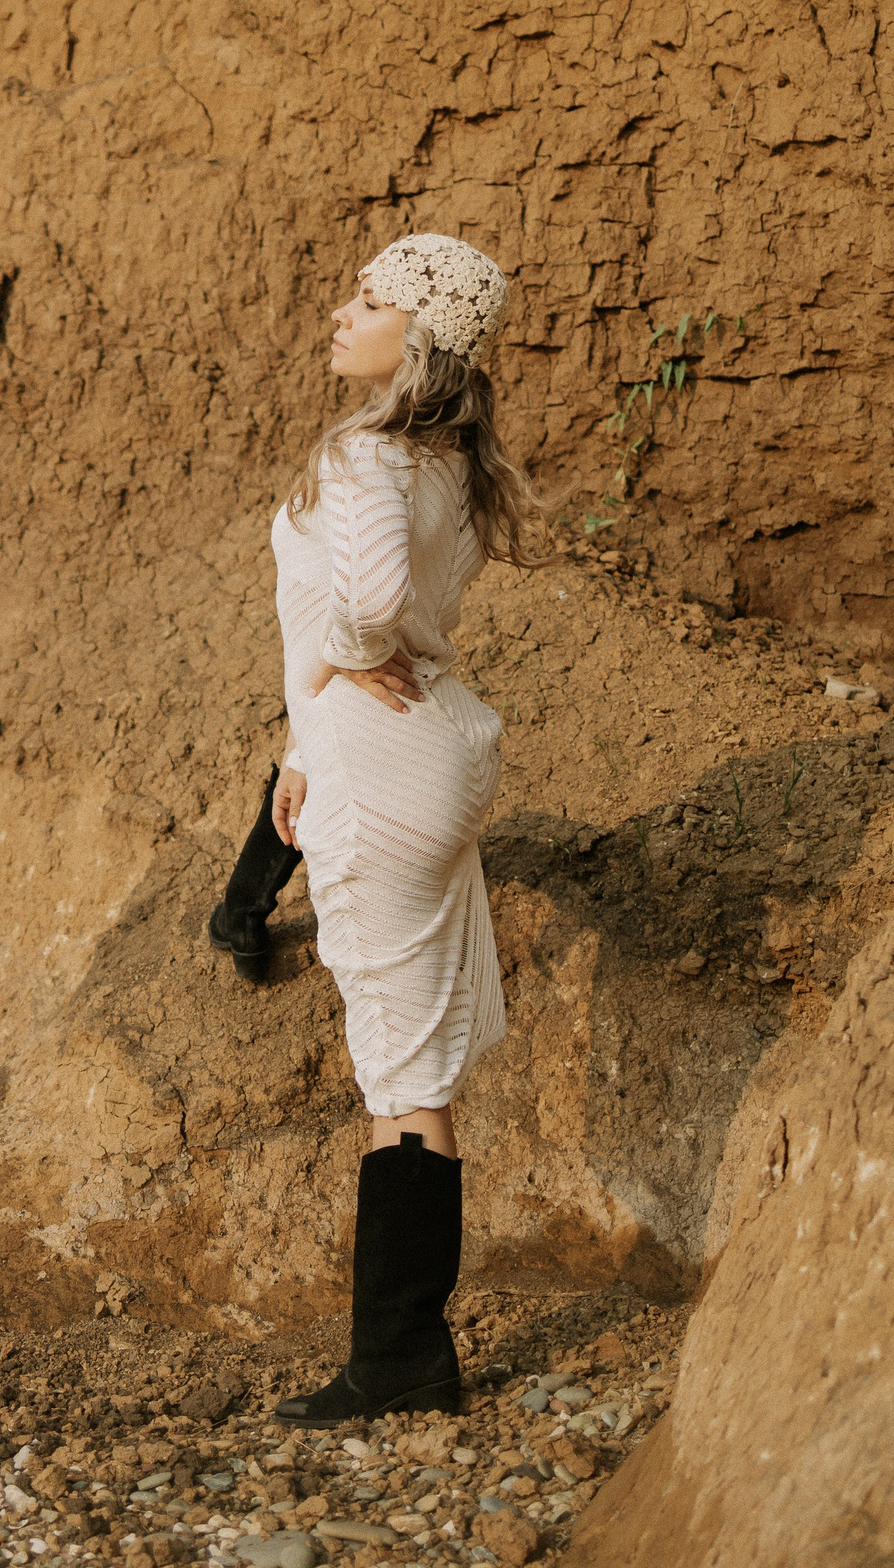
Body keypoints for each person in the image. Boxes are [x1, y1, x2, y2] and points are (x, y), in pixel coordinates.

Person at [249, 234, 546, 1428]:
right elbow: (393, 609)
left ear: (415, 335)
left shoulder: (367, 454)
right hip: (428, 754)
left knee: (401, 1072)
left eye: (368, 300)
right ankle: (402, 1352)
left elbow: (366, 608)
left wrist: (341, 665)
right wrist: (298, 747)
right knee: (411, 1072)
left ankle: (401, 1360)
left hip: (380, 770)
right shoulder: (449, 462)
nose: (340, 311)